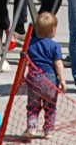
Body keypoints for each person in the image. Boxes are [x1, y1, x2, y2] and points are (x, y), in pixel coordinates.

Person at [21, 9, 65, 138]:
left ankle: (32, 127)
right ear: (53, 30)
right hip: (50, 81)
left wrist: (21, 76)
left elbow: (24, 61)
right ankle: (48, 129)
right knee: (50, 107)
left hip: (34, 79)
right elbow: (58, 63)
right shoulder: (55, 46)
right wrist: (62, 79)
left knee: (33, 106)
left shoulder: (30, 44)